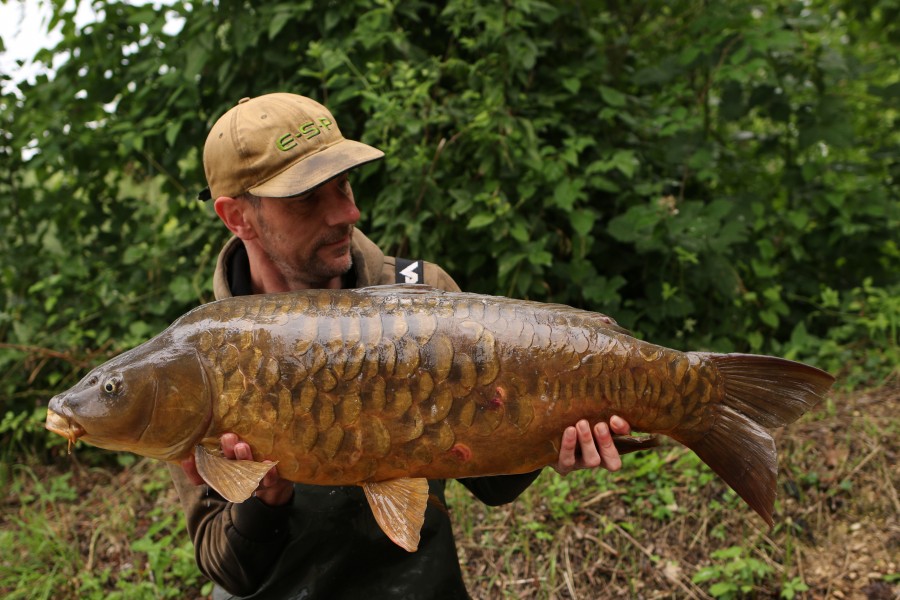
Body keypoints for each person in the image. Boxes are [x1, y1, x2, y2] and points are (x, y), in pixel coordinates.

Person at [169, 92, 633, 599]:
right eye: (306, 199)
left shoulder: (427, 300)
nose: (347, 212)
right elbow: (227, 570)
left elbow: (491, 485)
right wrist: (263, 502)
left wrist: (545, 436)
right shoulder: (196, 366)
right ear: (238, 217)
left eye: (343, 185)